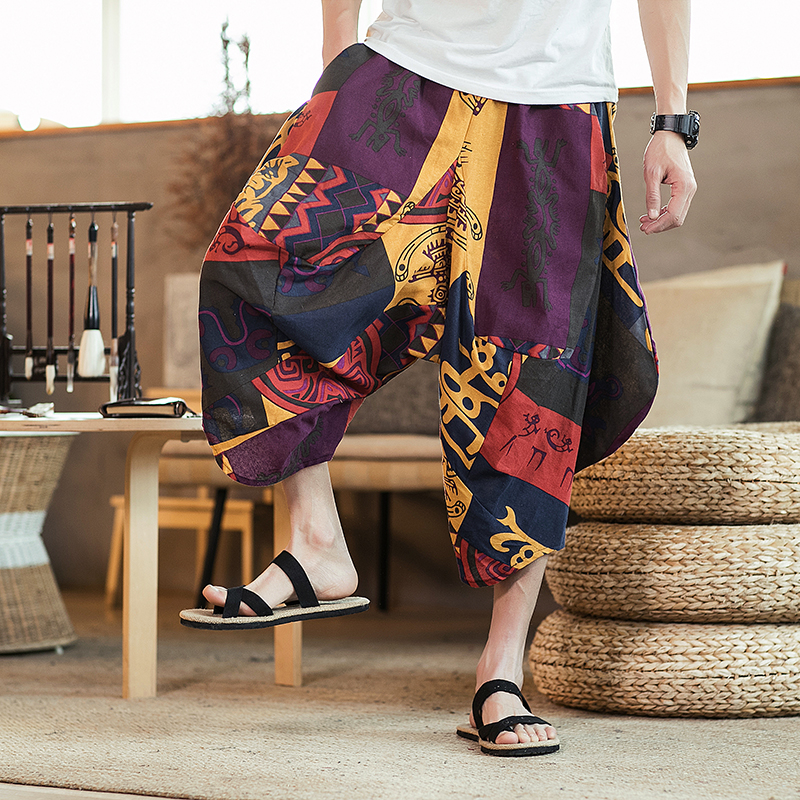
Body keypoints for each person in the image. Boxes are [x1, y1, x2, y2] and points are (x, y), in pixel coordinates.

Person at [181, 0, 697, 757]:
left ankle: (500, 670)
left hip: (553, 99)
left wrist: (673, 120)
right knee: (255, 266)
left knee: (529, 376)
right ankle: (316, 540)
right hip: (404, 72)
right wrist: (336, 60)